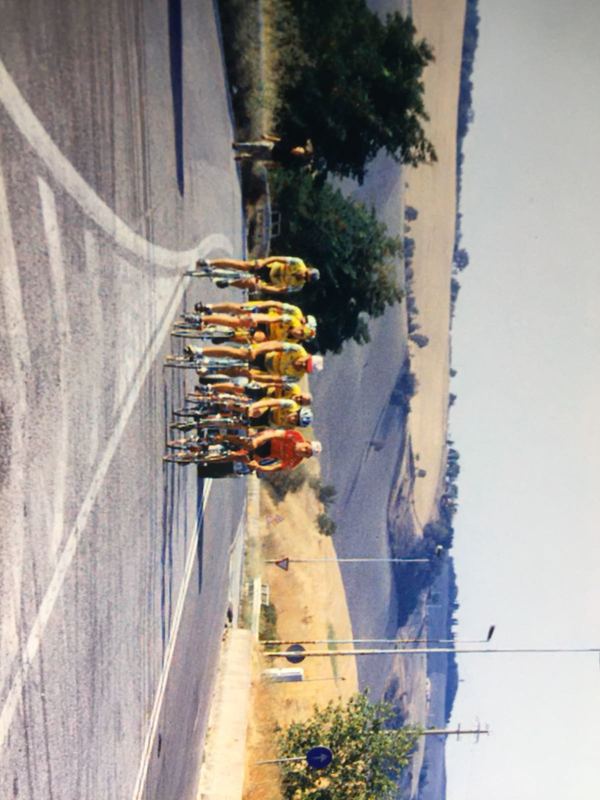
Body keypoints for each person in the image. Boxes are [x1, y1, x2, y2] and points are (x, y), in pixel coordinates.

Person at [184, 340, 324, 381]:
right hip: (265, 354)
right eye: (307, 361)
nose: (303, 365)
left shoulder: (296, 377)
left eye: (306, 368)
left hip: (266, 370)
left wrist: (254, 377)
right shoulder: (297, 349)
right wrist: (256, 350)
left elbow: (273, 380)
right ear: (308, 356)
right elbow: (273, 345)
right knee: (239, 353)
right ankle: (200, 351)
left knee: (240, 372)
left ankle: (211, 370)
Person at [189, 256, 320, 294]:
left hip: (269, 282)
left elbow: (279, 290)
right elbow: (277, 258)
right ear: (307, 268)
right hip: (268, 267)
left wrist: (261, 287)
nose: (303, 276)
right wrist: (263, 262)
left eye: (306, 278)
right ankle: (210, 262)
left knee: (250, 284)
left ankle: (229, 282)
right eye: (305, 274)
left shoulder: (298, 286)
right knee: (244, 265)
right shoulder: (298, 263)